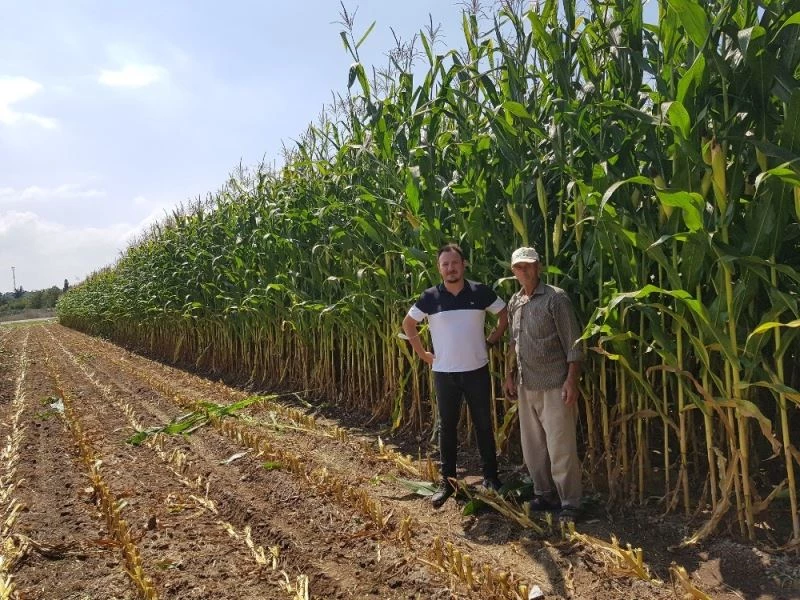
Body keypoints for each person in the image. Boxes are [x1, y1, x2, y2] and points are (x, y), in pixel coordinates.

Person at [402, 243, 508, 508]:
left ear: (463, 265)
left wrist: (491, 340)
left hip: (476, 370)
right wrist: (423, 354)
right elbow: (408, 323)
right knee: (446, 427)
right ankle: (447, 482)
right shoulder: (430, 297)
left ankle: (491, 478)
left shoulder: (479, 292)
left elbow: (505, 314)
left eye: (455, 263)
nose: (451, 268)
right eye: (445, 264)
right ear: (439, 269)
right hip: (445, 373)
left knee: (484, 425)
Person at [503, 246, 584, 522]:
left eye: (528, 265)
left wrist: (572, 380)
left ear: (538, 266)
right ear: (513, 271)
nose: (523, 270)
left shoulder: (555, 299)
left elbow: (574, 343)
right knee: (533, 447)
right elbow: (513, 342)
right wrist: (509, 374)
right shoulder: (515, 302)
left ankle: (570, 502)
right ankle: (545, 493)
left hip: (554, 384)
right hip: (526, 384)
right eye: (518, 267)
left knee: (561, 446)